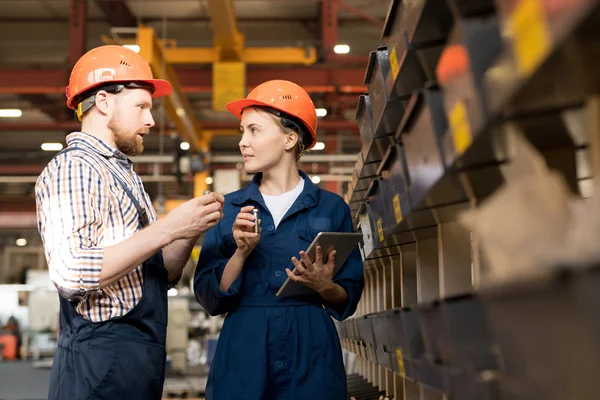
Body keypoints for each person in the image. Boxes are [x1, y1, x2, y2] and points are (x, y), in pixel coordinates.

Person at [35, 45, 224, 400]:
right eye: (141, 107)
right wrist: (168, 228)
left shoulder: (123, 175)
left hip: (136, 361)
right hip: (97, 367)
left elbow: (160, 273)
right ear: (104, 102)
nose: (150, 120)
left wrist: (188, 229)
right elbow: (73, 271)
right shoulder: (76, 168)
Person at [194, 80, 365, 399]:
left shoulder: (331, 208)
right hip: (245, 349)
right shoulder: (229, 209)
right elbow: (209, 297)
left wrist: (326, 287)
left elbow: (350, 294)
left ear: (290, 138)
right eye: (242, 131)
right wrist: (240, 254)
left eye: (254, 130)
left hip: (311, 349)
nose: (243, 142)